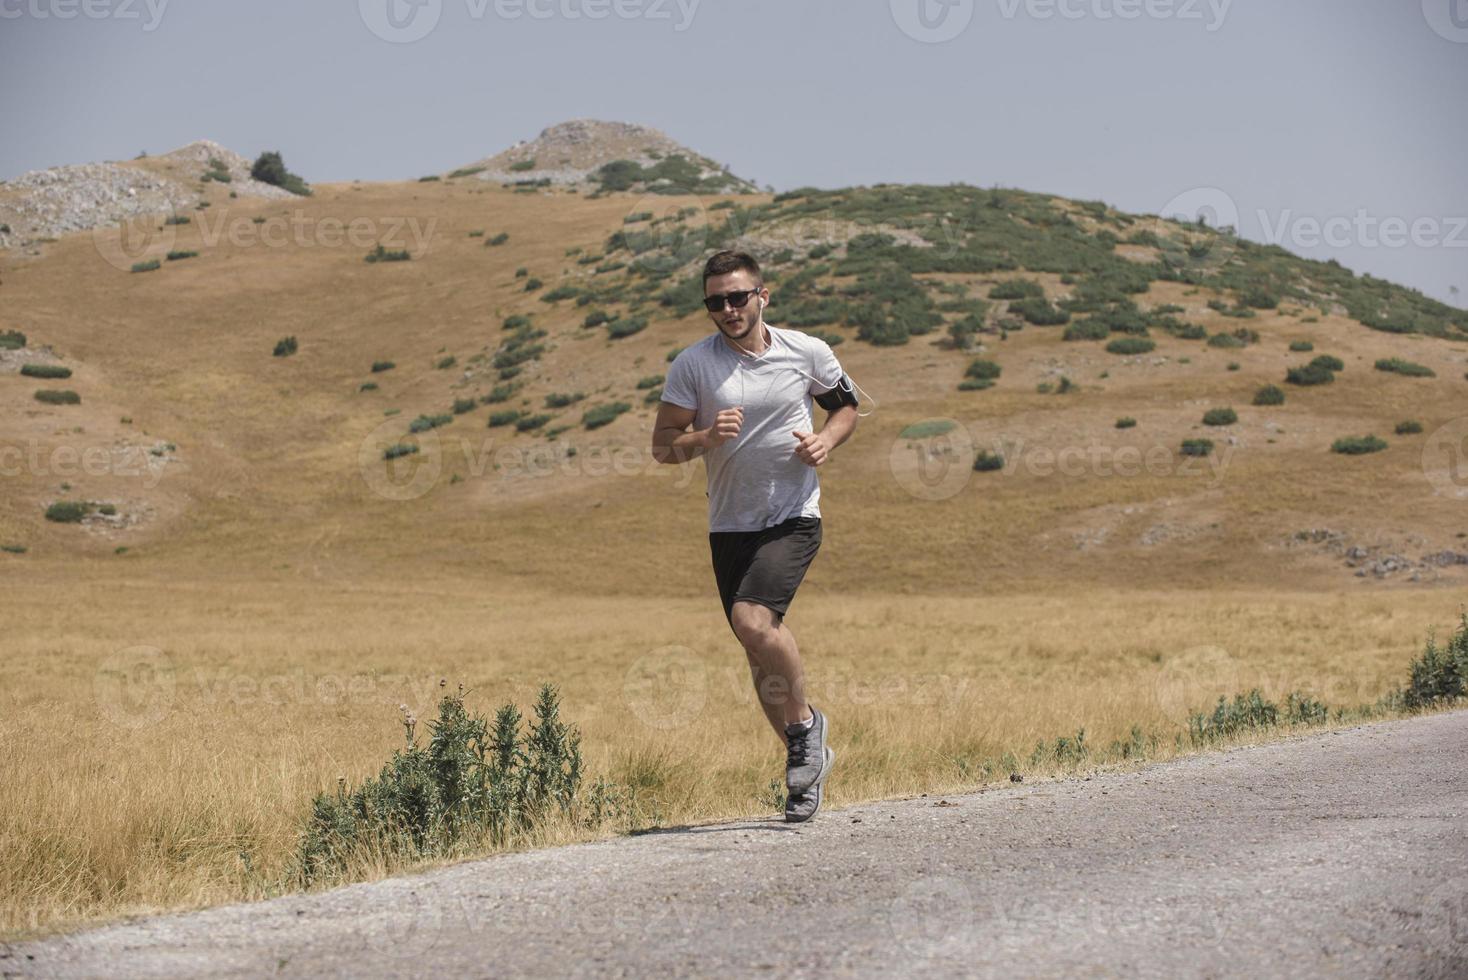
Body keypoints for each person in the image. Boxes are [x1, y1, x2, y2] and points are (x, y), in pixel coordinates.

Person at [652, 249, 860, 822]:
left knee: (753, 621)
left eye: (737, 296)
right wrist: (702, 437)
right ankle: (807, 772)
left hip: (793, 514)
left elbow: (846, 408)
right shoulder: (693, 366)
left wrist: (827, 441)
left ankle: (804, 730)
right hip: (730, 524)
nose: (727, 308)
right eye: (715, 300)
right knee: (756, 650)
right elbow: (662, 447)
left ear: (762, 296)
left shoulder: (805, 352)